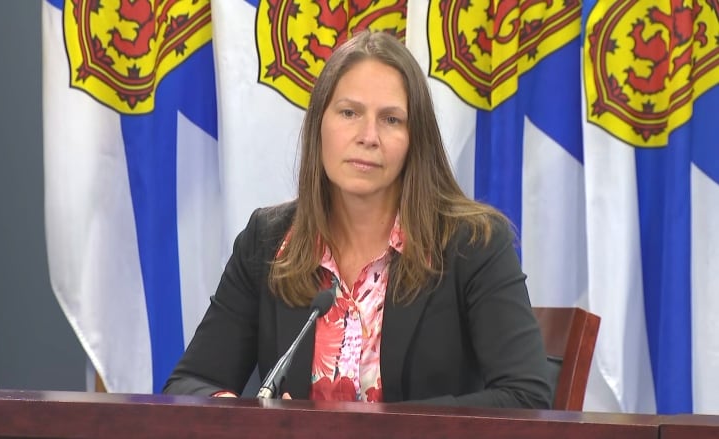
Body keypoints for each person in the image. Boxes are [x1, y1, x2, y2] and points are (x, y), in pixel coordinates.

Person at [163, 30, 552, 409]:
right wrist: (243, 418)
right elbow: (191, 383)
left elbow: (526, 397)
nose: (368, 136)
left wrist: (379, 429)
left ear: (416, 140)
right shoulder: (267, 242)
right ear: (319, 124)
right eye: (349, 113)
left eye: (391, 120)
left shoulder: (472, 243)